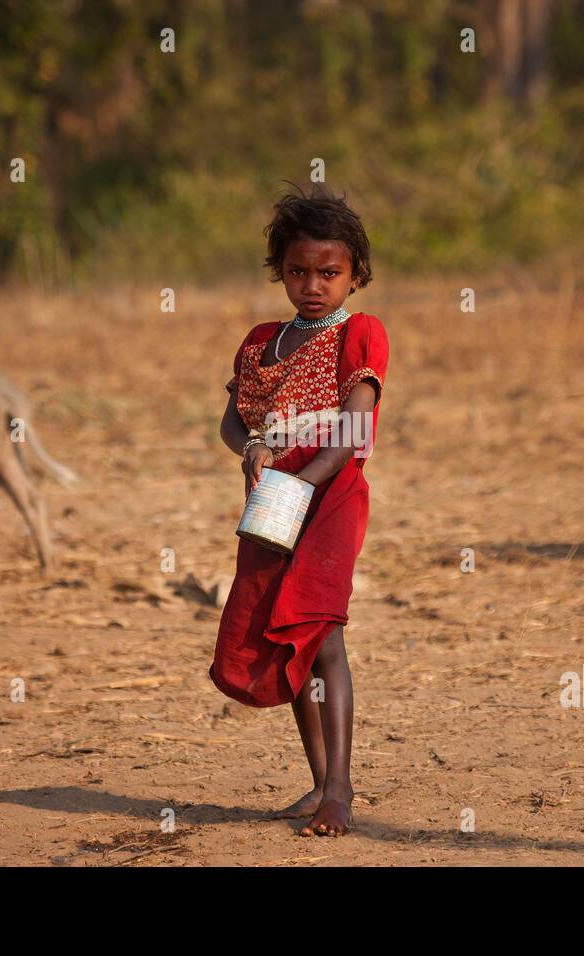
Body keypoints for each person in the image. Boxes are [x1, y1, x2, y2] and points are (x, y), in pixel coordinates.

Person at [211, 183, 389, 837]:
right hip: (273, 503)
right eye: (297, 271)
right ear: (279, 270)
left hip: (331, 493)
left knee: (324, 636)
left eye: (329, 273)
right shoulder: (262, 342)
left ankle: (339, 789)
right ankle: (318, 783)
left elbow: (356, 430)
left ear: (356, 275)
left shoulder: (361, 334)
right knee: (287, 636)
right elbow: (233, 423)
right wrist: (253, 449)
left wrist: (306, 483)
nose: (312, 286)